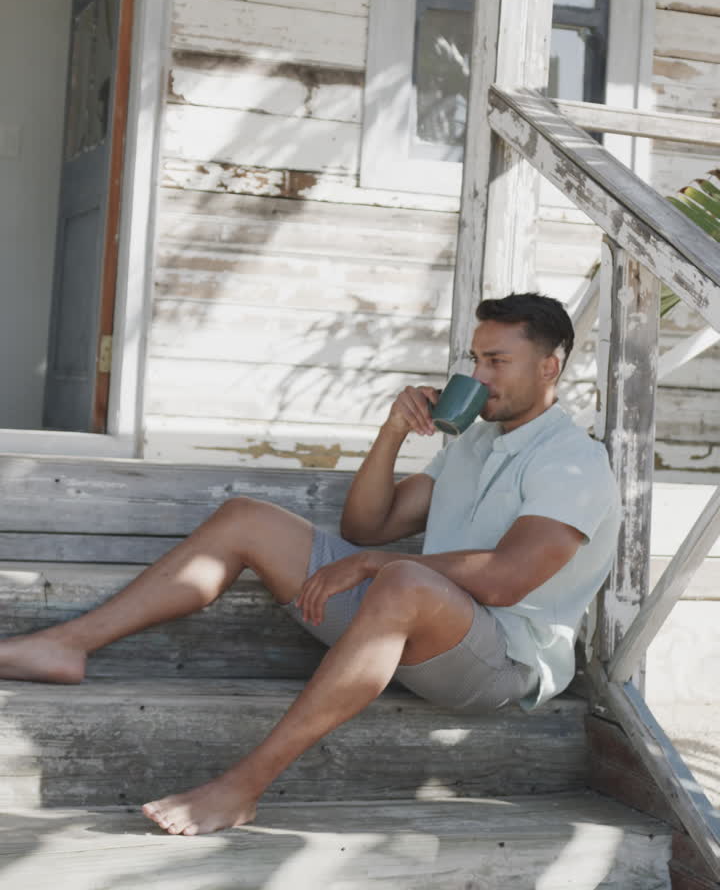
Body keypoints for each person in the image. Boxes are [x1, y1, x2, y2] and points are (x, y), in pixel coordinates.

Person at [0, 292, 620, 837]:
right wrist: (392, 433)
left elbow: (507, 579)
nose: (478, 376)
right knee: (247, 517)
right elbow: (367, 527)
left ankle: (244, 786)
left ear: (549, 367)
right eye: (474, 359)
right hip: (413, 623)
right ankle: (68, 645)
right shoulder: (477, 442)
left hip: (498, 662)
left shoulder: (573, 464)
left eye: (496, 362)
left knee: (403, 576)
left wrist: (374, 565)